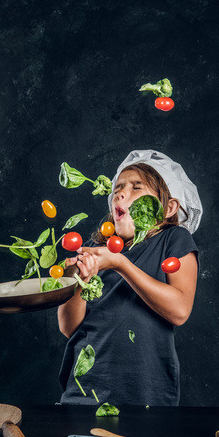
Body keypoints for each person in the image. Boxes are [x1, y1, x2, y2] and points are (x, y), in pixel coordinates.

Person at [57, 150, 203, 406]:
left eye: (137, 188)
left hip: (146, 392)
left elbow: (180, 310)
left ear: (169, 208)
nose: (120, 193)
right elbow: (68, 328)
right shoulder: (95, 248)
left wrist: (120, 263)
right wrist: (78, 279)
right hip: (85, 390)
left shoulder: (174, 240)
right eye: (119, 188)